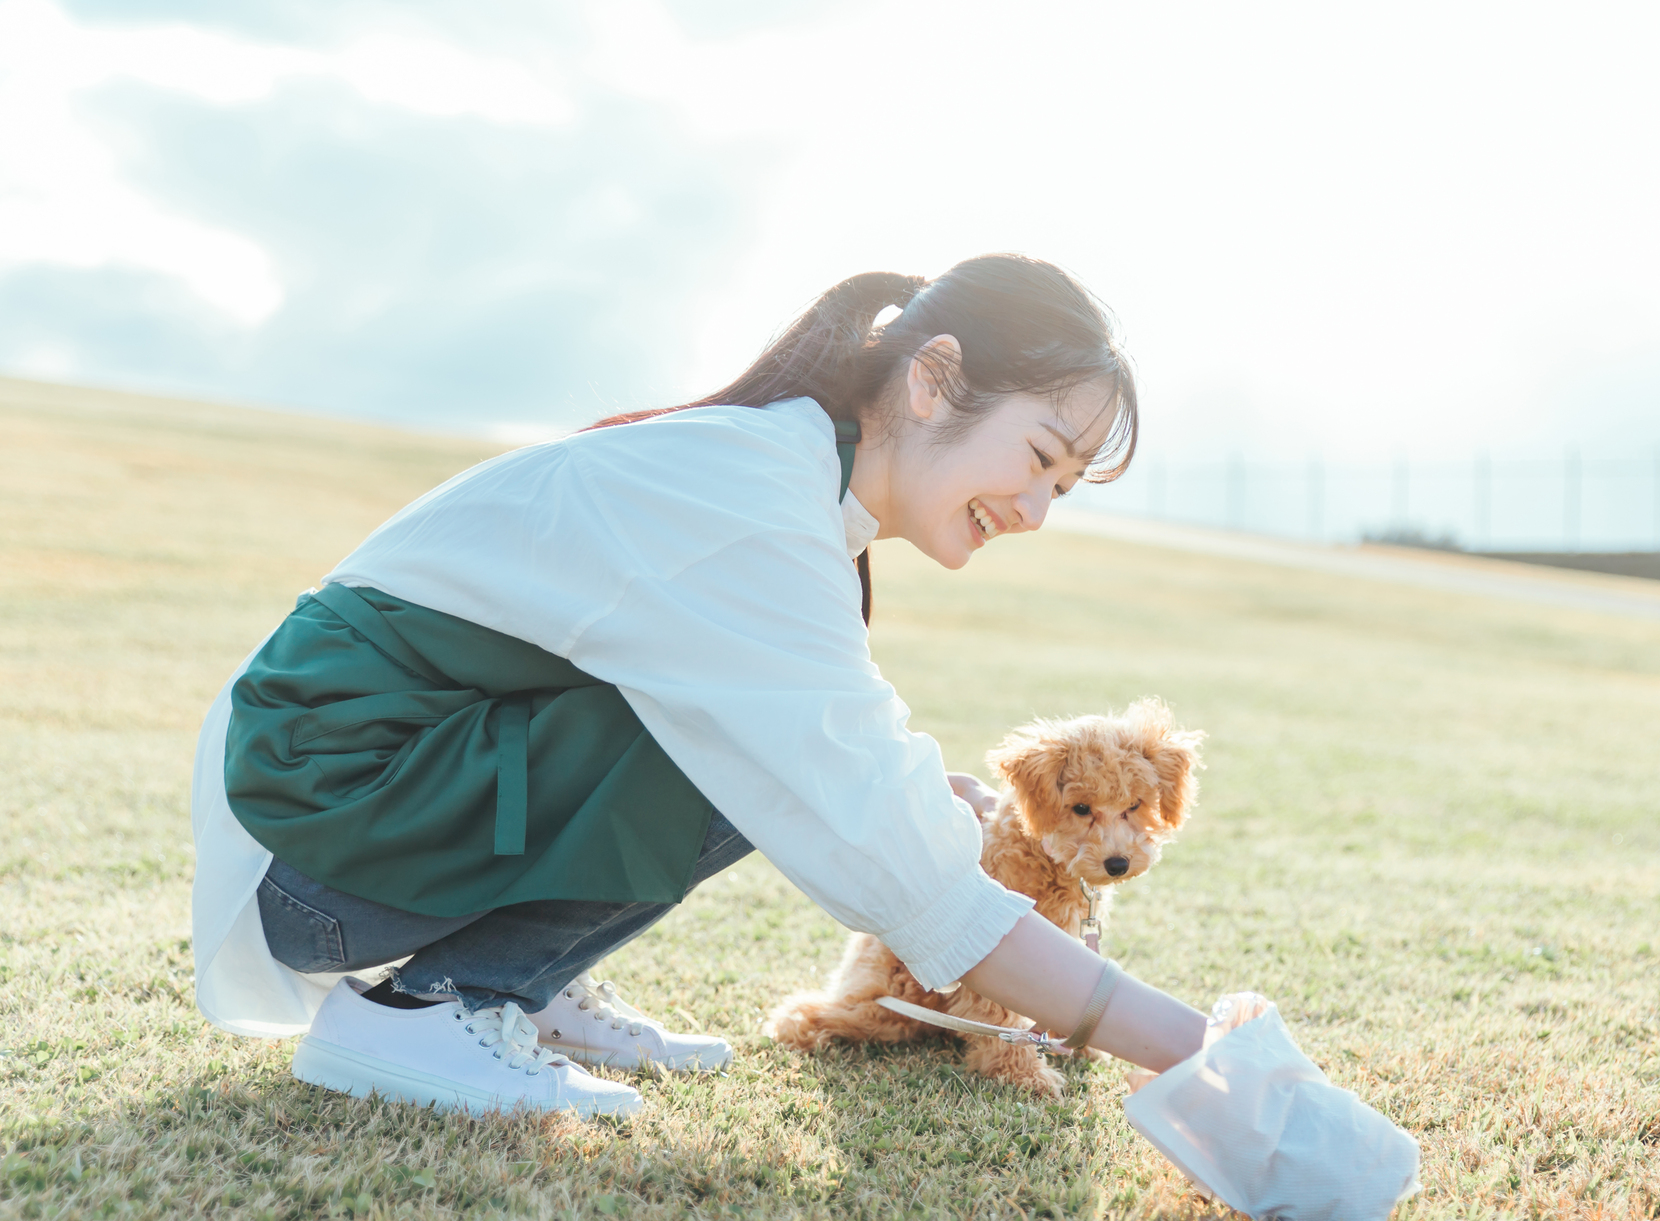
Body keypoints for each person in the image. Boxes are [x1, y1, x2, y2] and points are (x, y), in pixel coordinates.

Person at [189, 253, 1211, 1117]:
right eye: (1037, 457)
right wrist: (1199, 1052)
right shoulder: (756, 501)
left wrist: (899, 799)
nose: (1035, 509)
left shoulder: (787, 479)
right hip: (316, 846)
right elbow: (919, 883)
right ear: (933, 380)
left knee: (774, 753)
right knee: (761, 754)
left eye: (1061, 487)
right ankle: (431, 1010)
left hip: (347, 819)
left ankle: (518, 984)